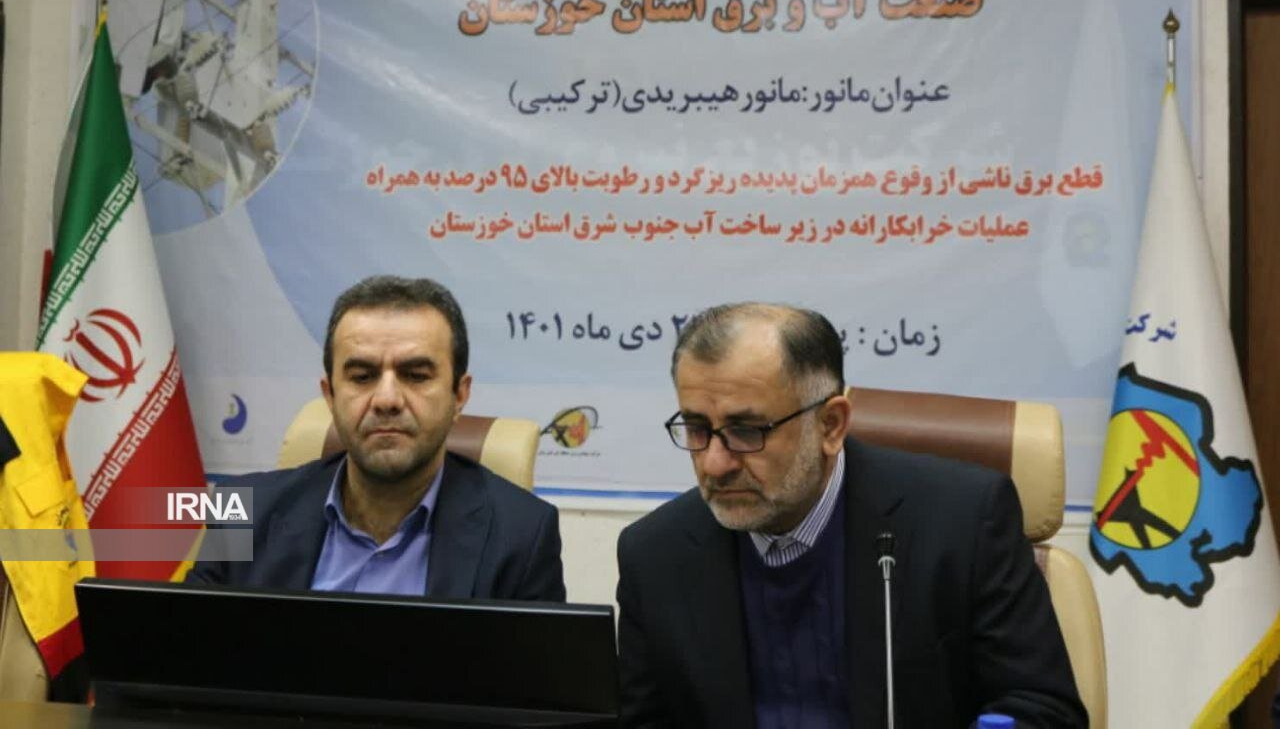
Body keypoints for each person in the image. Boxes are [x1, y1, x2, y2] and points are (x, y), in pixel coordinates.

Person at [616, 303, 1086, 728]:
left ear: (830, 425)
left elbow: (1044, 709)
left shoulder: (962, 522)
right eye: (696, 428)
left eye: (746, 430)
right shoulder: (655, 555)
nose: (715, 463)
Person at [187, 275, 565, 601]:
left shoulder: (524, 534)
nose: (387, 399)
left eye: (416, 375)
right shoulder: (239, 508)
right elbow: (180, 649)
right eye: (362, 376)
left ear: (459, 395)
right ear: (330, 395)